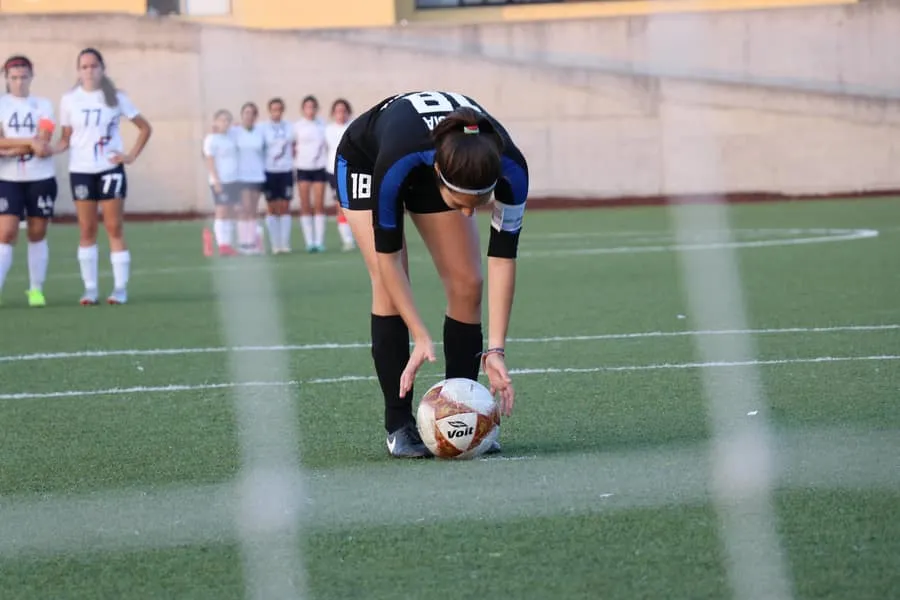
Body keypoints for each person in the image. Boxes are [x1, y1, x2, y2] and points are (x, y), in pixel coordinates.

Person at [334, 91, 528, 458]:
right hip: (367, 158)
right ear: (440, 176)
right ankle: (398, 425)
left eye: (479, 204)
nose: (469, 215)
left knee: (468, 283)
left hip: (441, 159)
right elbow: (389, 261)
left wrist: (496, 350)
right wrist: (420, 336)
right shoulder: (397, 164)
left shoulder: (513, 168)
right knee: (388, 286)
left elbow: (502, 258)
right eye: (461, 205)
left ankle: (464, 412)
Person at [55, 47, 152, 305]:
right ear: (78, 71)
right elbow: (66, 138)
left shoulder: (116, 97)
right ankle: (90, 289)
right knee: (87, 230)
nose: (89, 71)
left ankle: (120, 289)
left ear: (102, 68)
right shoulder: (69, 100)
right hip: (81, 171)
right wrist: (50, 149)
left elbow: (144, 127)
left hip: (110, 169)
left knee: (114, 227)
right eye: (84, 67)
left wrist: (130, 155)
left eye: (94, 66)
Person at [0, 55, 57, 307]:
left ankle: (36, 290)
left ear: (31, 77)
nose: (19, 82)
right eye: (14, 78)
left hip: (40, 177)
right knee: (6, 232)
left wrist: (15, 148)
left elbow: (43, 144)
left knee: (37, 232)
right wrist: (28, 143)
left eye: (24, 77)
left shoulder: (43, 105)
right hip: (8, 178)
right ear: (6, 79)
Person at [202, 109, 240, 256]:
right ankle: (222, 244)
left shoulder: (232, 135)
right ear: (216, 122)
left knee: (231, 211)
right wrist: (216, 180)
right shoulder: (211, 139)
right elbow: (210, 161)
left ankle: (228, 243)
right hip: (220, 180)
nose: (225, 123)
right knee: (221, 211)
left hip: (233, 179)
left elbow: (241, 126)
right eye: (222, 120)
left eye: (228, 120)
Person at [260, 97, 295, 254]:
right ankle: (275, 244)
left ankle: (284, 243)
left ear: (282, 110)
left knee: (285, 207)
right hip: (269, 171)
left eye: (279, 109)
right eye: (273, 109)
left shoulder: (289, 127)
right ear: (269, 111)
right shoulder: (263, 128)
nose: (276, 112)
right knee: (272, 207)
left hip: (286, 170)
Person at [293, 95, 327, 252]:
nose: (310, 110)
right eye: (307, 107)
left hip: (319, 167)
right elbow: (291, 145)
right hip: (303, 168)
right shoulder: (298, 126)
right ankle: (309, 242)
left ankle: (319, 241)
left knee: (319, 204)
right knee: (305, 204)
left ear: (316, 109)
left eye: (313, 107)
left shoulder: (323, 125)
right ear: (303, 109)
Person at [232, 102, 266, 254]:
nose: (248, 116)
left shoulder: (260, 132)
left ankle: (252, 242)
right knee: (244, 208)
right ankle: (243, 241)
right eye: (245, 113)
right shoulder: (235, 132)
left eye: (251, 113)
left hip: (257, 175)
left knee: (253, 209)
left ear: (255, 116)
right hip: (242, 176)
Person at [324, 98, 356, 252]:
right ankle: (347, 239)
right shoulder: (327, 130)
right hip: (334, 170)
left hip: (352, 169)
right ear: (333, 113)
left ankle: (359, 236)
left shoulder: (353, 127)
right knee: (340, 205)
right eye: (337, 111)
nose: (341, 114)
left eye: (343, 111)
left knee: (354, 204)